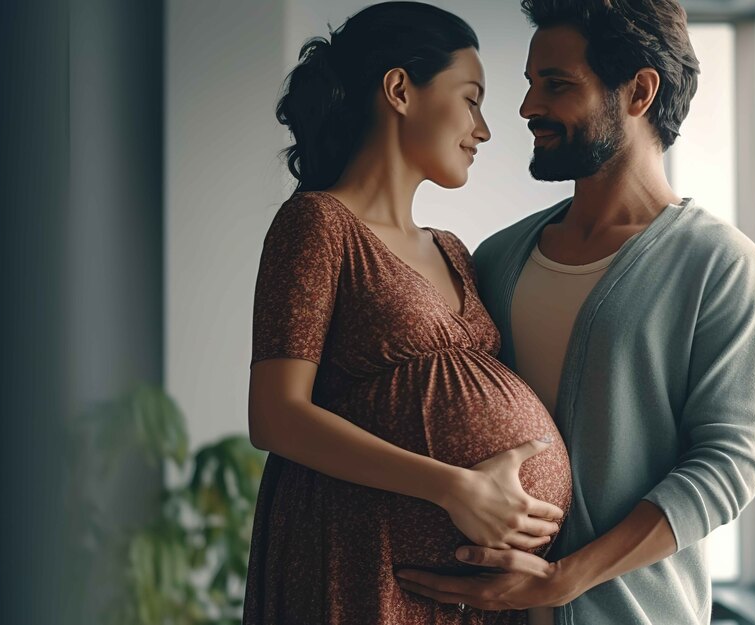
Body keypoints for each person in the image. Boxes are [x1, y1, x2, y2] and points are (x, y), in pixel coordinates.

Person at [394, 2, 755, 624]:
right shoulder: (497, 257)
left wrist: (561, 581)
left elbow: (728, 465)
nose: (526, 109)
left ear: (640, 91)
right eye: (529, 84)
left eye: (557, 85)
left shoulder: (719, 264)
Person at [241, 3, 572, 624]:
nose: (484, 129)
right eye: (471, 99)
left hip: (470, 595)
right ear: (399, 90)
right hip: (359, 564)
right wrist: (455, 488)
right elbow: (276, 416)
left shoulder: (452, 250)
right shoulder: (318, 224)